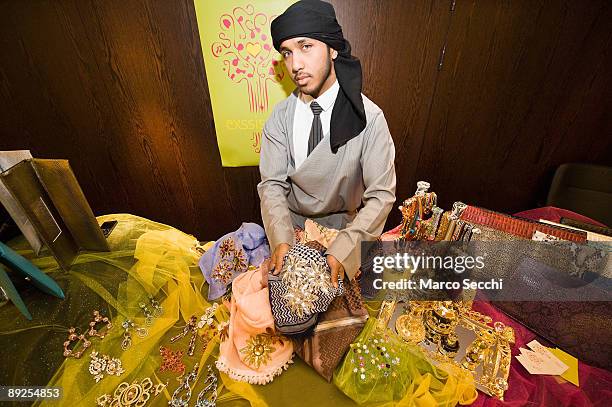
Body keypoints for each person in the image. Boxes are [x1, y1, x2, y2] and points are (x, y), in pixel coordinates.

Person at [258, 0, 396, 287]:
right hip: (291, 228)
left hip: (346, 232)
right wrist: (281, 240)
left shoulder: (368, 118)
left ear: (333, 48)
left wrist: (344, 251)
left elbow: (381, 195)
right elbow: (272, 186)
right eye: (287, 53)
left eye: (305, 46)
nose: (295, 64)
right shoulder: (279, 118)